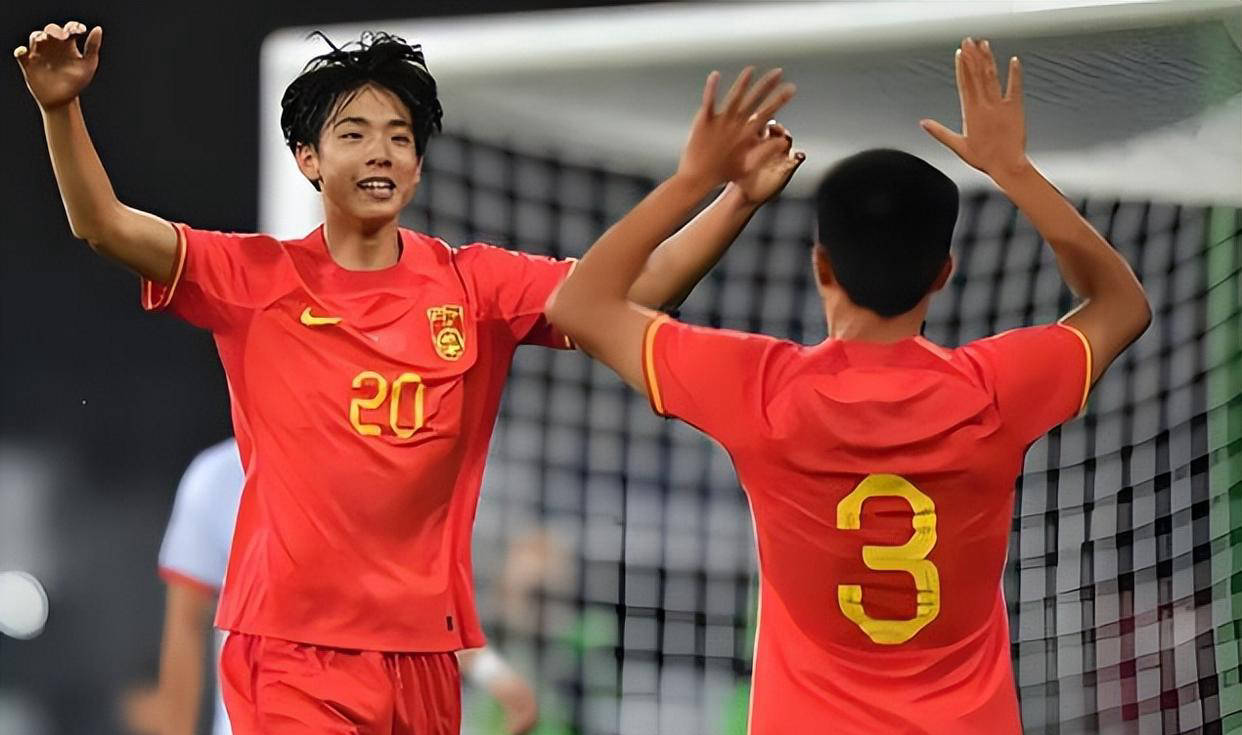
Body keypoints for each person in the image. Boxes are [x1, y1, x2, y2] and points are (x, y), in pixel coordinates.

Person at [15, 21, 797, 733]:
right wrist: (61, 110)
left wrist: (736, 200)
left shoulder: (475, 285)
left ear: (418, 166)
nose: (381, 152)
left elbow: (638, 290)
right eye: (353, 133)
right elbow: (103, 225)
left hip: (424, 652)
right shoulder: (256, 276)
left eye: (399, 137)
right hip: (292, 651)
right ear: (308, 159)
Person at [545, 41, 1151, 734]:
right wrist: (1013, 170)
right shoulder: (995, 391)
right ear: (944, 273)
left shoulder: (762, 389)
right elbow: (1122, 306)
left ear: (821, 266)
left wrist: (705, 183)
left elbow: (579, 305)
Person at [121, 439, 538, 735]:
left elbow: (400, 603)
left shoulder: (367, 470)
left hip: (369, 710)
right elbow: (186, 624)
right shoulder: (216, 478)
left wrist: (493, 673)